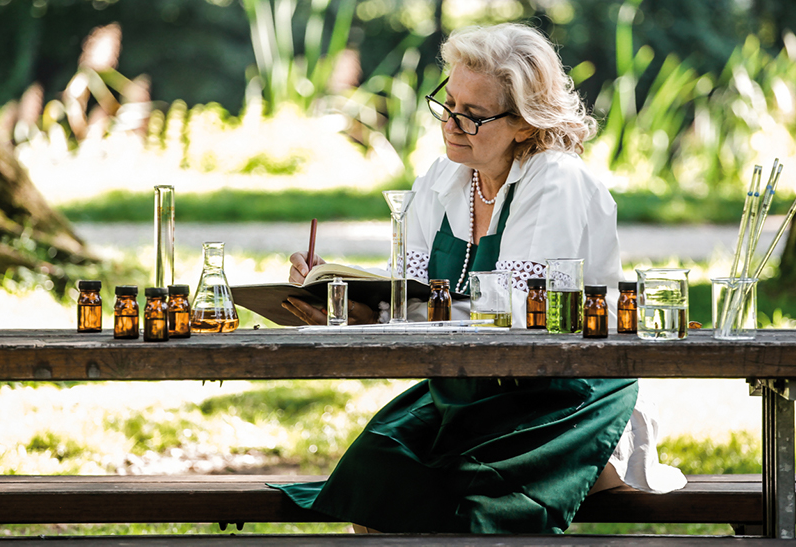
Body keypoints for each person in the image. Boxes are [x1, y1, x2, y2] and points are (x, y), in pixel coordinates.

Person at [276, 23, 685, 534]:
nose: (451, 124)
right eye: (448, 104)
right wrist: (349, 301)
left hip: (561, 395)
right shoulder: (442, 178)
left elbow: (518, 316)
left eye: (472, 115)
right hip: (468, 390)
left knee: (471, 505)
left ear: (524, 124)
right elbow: (411, 296)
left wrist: (404, 309)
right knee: (376, 475)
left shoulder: (556, 180)